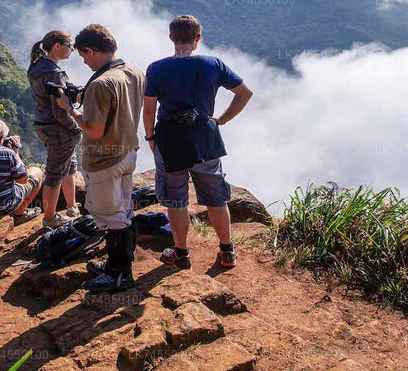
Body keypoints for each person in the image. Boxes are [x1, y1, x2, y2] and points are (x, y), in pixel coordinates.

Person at [144, 15, 254, 270]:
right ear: (198, 38)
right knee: (216, 198)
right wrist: (222, 120)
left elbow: (148, 108)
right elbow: (245, 93)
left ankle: (181, 254)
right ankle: (227, 251)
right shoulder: (213, 64)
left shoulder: (156, 68)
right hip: (205, 138)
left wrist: (150, 137)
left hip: (170, 140)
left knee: (176, 200)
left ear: (171, 37)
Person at [57, 24, 145, 292]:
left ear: (92, 51)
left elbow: (94, 130)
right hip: (128, 152)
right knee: (124, 210)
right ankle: (117, 265)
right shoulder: (135, 72)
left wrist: (70, 109)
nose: (84, 62)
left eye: (83, 56)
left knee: (111, 216)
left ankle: (119, 274)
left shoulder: (100, 84)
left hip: (105, 160)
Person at [28, 30, 83, 230]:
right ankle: (50, 218)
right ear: (57, 46)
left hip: (43, 123)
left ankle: (72, 207)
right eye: (70, 46)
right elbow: (59, 109)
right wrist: (76, 128)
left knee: (70, 164)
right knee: (54, 174)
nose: (72, 50)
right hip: (59, 128)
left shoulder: (35, 67)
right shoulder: (55, 73)